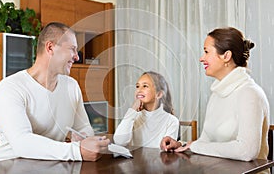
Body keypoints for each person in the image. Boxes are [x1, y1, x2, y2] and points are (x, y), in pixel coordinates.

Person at [0, 22, 110, 162]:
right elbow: (21, 143)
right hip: (12, 166)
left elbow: (83, 126)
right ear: (50, 47)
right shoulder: (10, 87)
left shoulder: (71, 86)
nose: (77, 57)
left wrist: (83, 136)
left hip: (52, 164)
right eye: (72, 49)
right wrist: (76, 150)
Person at [160, 27, 270, 162]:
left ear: (226, 56)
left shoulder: (250, 93)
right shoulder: (216, 94)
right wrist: (183, 145)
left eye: (206, 52)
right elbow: (205, 142)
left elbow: (247, 151)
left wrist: (196, 146)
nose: (201, 58)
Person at [114, 71, 179, 148]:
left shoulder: (171, 121)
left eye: (145, 86)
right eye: (137, 86)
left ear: (159, 94)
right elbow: (119, 142)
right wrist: (133, 109)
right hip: (134, 160)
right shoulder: (134, 117)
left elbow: (166, 148)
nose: (139, 90)